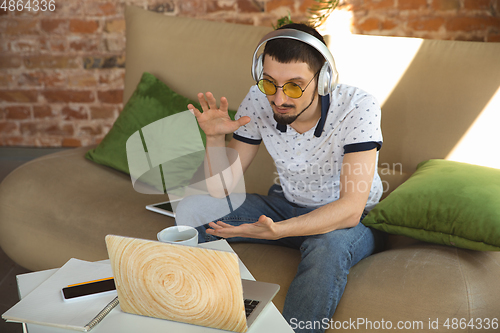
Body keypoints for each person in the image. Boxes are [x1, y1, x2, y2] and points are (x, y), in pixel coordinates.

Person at [176, 23, 385, 333]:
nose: (278, 98)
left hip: (348, 219)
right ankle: (205, 317)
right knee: (194, 208)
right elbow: (219, 191)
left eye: (294, 86)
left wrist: (278, 231)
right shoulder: (259, 100)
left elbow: (351, 208)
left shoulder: (358, 108)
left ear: (324, 79)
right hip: (285, 204)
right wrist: (214, 139)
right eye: (269, 83)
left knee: (327, 248)